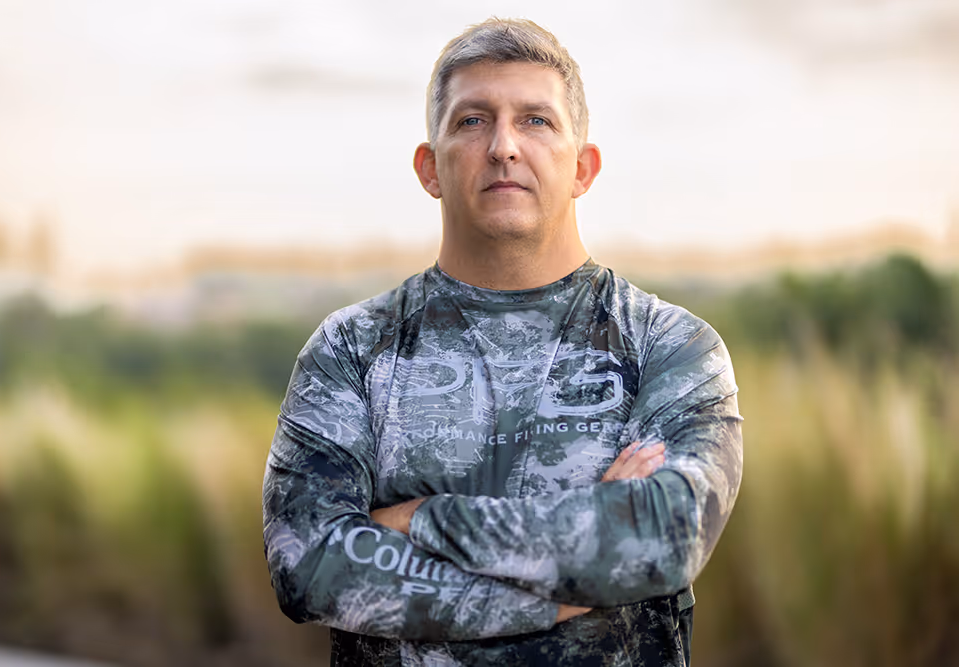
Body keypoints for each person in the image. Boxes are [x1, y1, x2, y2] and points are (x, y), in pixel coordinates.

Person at [262, 17, 742, 667]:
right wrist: (576, 575)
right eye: (472, 120)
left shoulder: (669, 347)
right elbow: (308, 565)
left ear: (584, 167)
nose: (504, 146)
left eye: (536, 120)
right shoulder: (352, 350)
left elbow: (665, 538)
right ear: (429, 168)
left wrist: (417, 519)